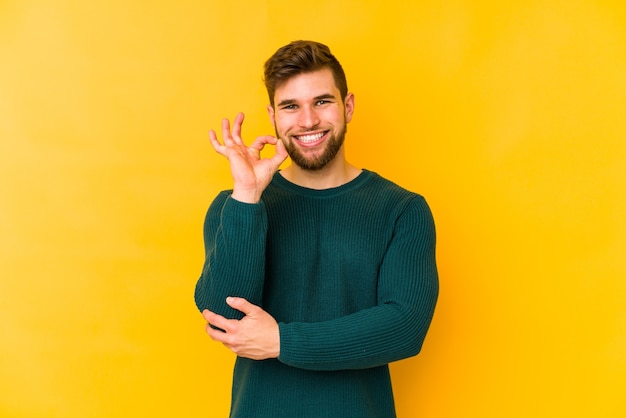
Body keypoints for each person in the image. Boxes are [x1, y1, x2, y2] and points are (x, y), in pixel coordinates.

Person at [194, 40, 439, 418]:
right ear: (273, 116)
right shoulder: (235, 207)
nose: (307, 121)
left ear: (348, 106)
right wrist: (246, 197)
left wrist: (283, 341)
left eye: (322, 101)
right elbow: (224, 318)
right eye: (291, 106)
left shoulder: (402, 210)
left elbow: (404, 326)